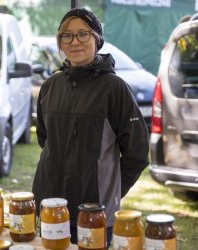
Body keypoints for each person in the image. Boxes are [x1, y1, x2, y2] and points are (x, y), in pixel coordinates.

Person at [32, 8, 150, 248]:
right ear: (60, 43)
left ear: (97, 38)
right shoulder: (50, 86)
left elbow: (137, 153)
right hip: (49, 205)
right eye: (67, 35)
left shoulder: (114, 89)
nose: (75, 41)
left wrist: (111, 191)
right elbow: (46, 140)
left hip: (93, 210)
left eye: (83, 34)